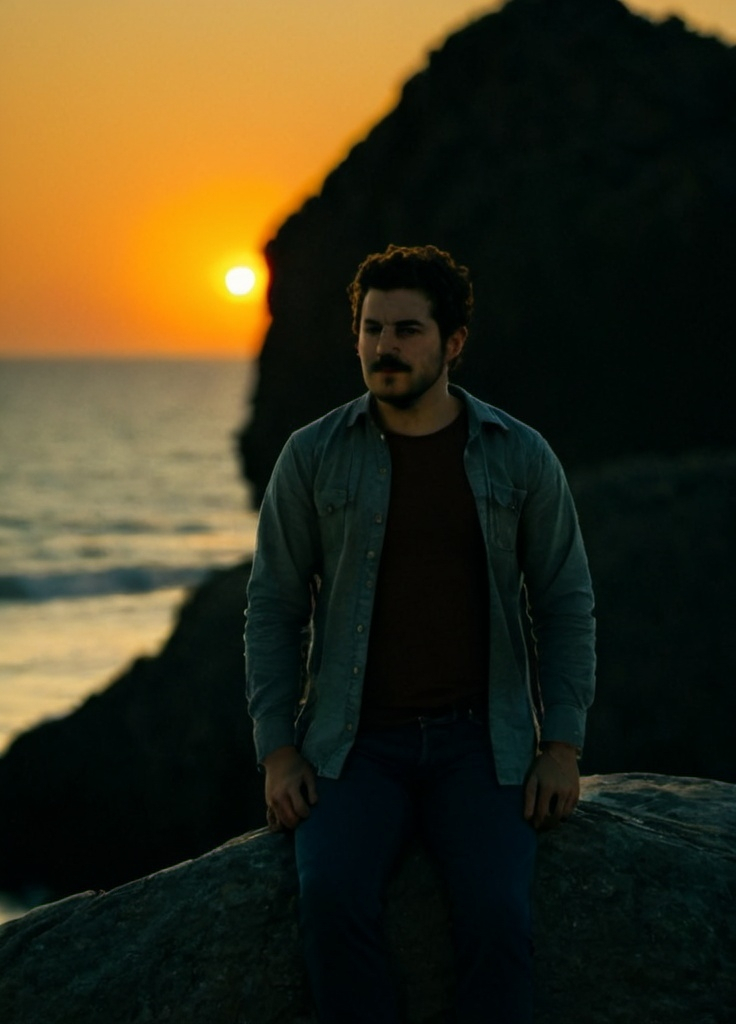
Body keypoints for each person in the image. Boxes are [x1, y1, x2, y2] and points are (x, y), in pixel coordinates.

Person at [245, 244, 596, 1024]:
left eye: (406, 330)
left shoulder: (520, 455)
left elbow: (566, 601)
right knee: (332, 902)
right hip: (353, 746)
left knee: (498, 920)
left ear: (454, 342)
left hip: (483, 744)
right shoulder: (312, 456)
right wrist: (277, 751)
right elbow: (272, 605)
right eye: (371, 329)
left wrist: (562, 747)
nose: (383, 348)